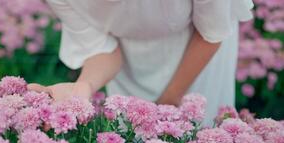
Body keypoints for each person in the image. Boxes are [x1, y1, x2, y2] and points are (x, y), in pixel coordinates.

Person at [28, 0, 254, 124]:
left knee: (202, 138)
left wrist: (170, 98)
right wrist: (84, 86)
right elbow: (102, 51)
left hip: (196, 51)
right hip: (128, 62)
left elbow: (211, 33)